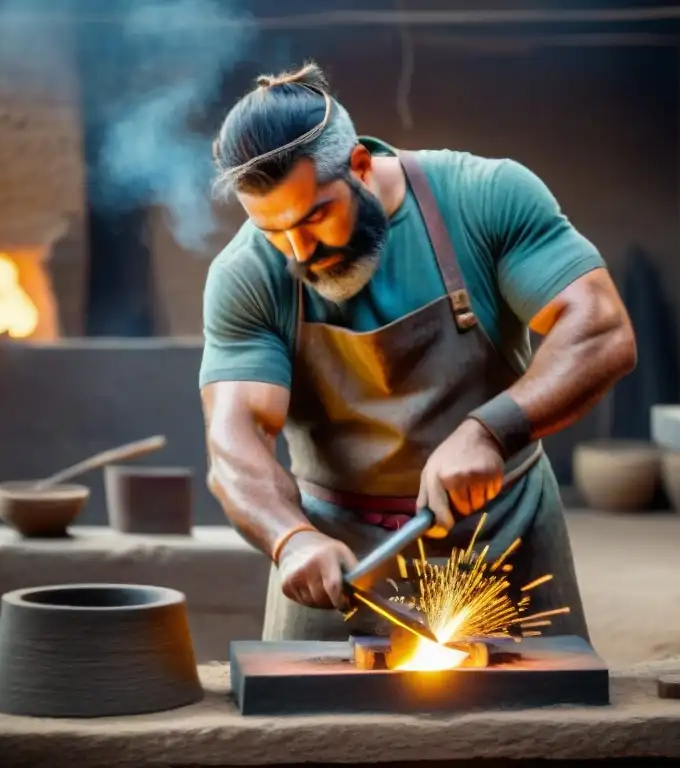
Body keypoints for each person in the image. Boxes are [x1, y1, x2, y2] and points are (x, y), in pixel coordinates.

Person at [200, 62, 636, 643]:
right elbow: (236, 441)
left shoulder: (484, 198)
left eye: (315, 217)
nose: (299, 251)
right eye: (275, 231)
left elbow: (602, 330)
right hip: (339, 558)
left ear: (359, 165)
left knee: (546, 724)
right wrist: (290, 536)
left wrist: (491, 430)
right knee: (311, 734)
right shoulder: (246, 274)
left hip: (504, 526)